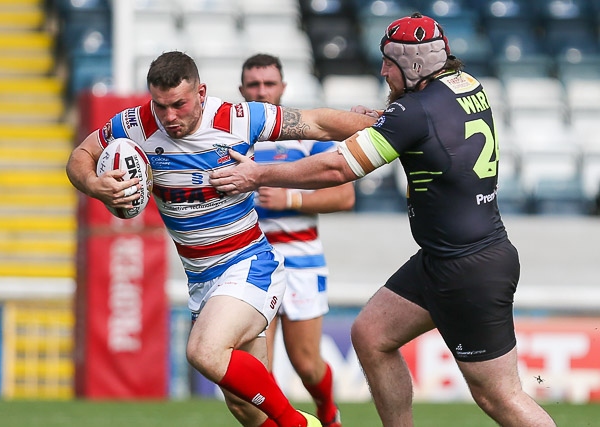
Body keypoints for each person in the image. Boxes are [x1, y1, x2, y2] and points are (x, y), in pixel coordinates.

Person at [210, 13, 557, 427]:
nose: (382, 70)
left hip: (468, 268)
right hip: (445, 258)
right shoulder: (466, 85)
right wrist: (384, 116)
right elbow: (426, 124)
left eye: (389, 62)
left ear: (413, 66)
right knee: (371, 335)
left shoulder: (412, 114)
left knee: (499, 396)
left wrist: (258, 173)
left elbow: (337, 171)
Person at [65, 51, 371, 427]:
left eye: (179, 104)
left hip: (250, 265)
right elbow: (81, 154)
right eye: (161, 106)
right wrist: (96, 186)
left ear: (202, 92)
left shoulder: (238, 119)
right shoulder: (135, 124)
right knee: (247, 409)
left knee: (205, 352)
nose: (170, 117)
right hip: (202, 280)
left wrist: (390, 125)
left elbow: (317, 123)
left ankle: (299, 422)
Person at [239, 53, 353, 427]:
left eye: (269, 84)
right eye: (254, 85)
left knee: (306, 364)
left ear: (282, 88)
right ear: (242, 90)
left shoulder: (305, 135)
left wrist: (291, 198)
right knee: (259, 368)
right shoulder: (231, 139)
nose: (261, 91)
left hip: (301, 260)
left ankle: (327, 412)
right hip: (251, 263)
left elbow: (344, 196)